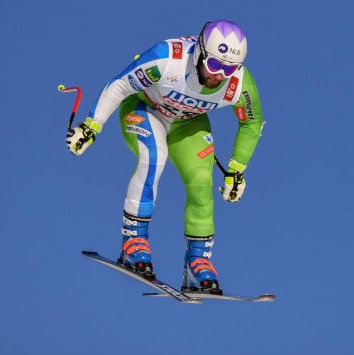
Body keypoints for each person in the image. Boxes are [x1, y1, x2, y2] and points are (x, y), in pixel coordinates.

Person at [66, 20, 264, 295]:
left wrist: (236, 169)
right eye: (215, 65)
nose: (219, 75)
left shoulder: (240, 84)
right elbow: (120, 84)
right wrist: (91, 126)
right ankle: (133, 243)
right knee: (154, 157)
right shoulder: (168, 58)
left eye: (229, 69)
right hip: (145, 108)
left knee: (201, 180)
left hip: (187, 124)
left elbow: (252, 123)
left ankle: (197, 262)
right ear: (200, 53)